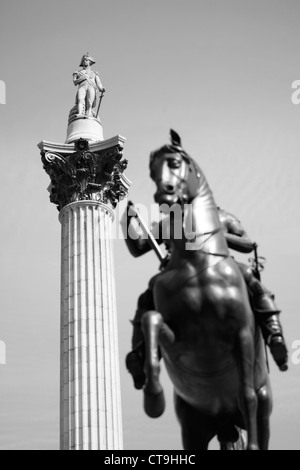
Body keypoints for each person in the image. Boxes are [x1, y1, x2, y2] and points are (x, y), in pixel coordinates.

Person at [124, 203, 288, 390]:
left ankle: (274, 335)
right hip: (177, 271)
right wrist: (127, 221)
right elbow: (139, 247)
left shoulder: (222, 217)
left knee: (251, 281)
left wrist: (216, 234)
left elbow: (247, 244)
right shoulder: (170, 221)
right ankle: (141, 355)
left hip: (219, 265)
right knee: (148, 297)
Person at [73, 53, 105, 117]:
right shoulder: (78, 73)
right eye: (84, 60)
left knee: (90, 102)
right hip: (82, 86)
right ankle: (80, 113)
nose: (85, 61)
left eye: (86, 60)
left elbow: (98, 83)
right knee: (80, 99)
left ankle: (89, 113)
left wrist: (101, 88)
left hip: (91, 87)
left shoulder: (94, 73)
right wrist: (82, 78)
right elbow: (75, 82)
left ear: (90, 62)